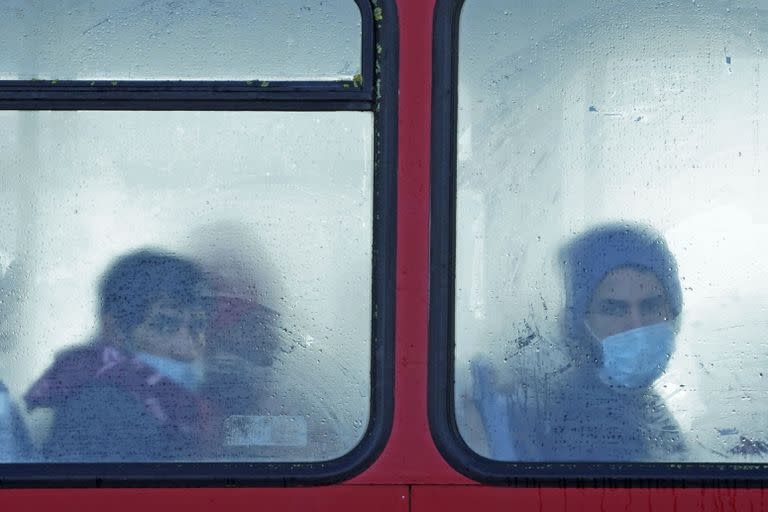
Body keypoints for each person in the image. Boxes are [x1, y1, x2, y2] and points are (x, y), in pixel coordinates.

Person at [473, 223, 686, 462]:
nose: (636, 325)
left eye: (651, 306)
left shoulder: (634, 398)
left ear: (672, 312)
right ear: (580, 323)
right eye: (614, 309)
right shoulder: (589, 419)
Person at [24, 249, 232, 462]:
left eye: (197, 326)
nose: (186, 349)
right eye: (165, 325)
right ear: (116, 332)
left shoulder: (179, 405)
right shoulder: (102, 410)